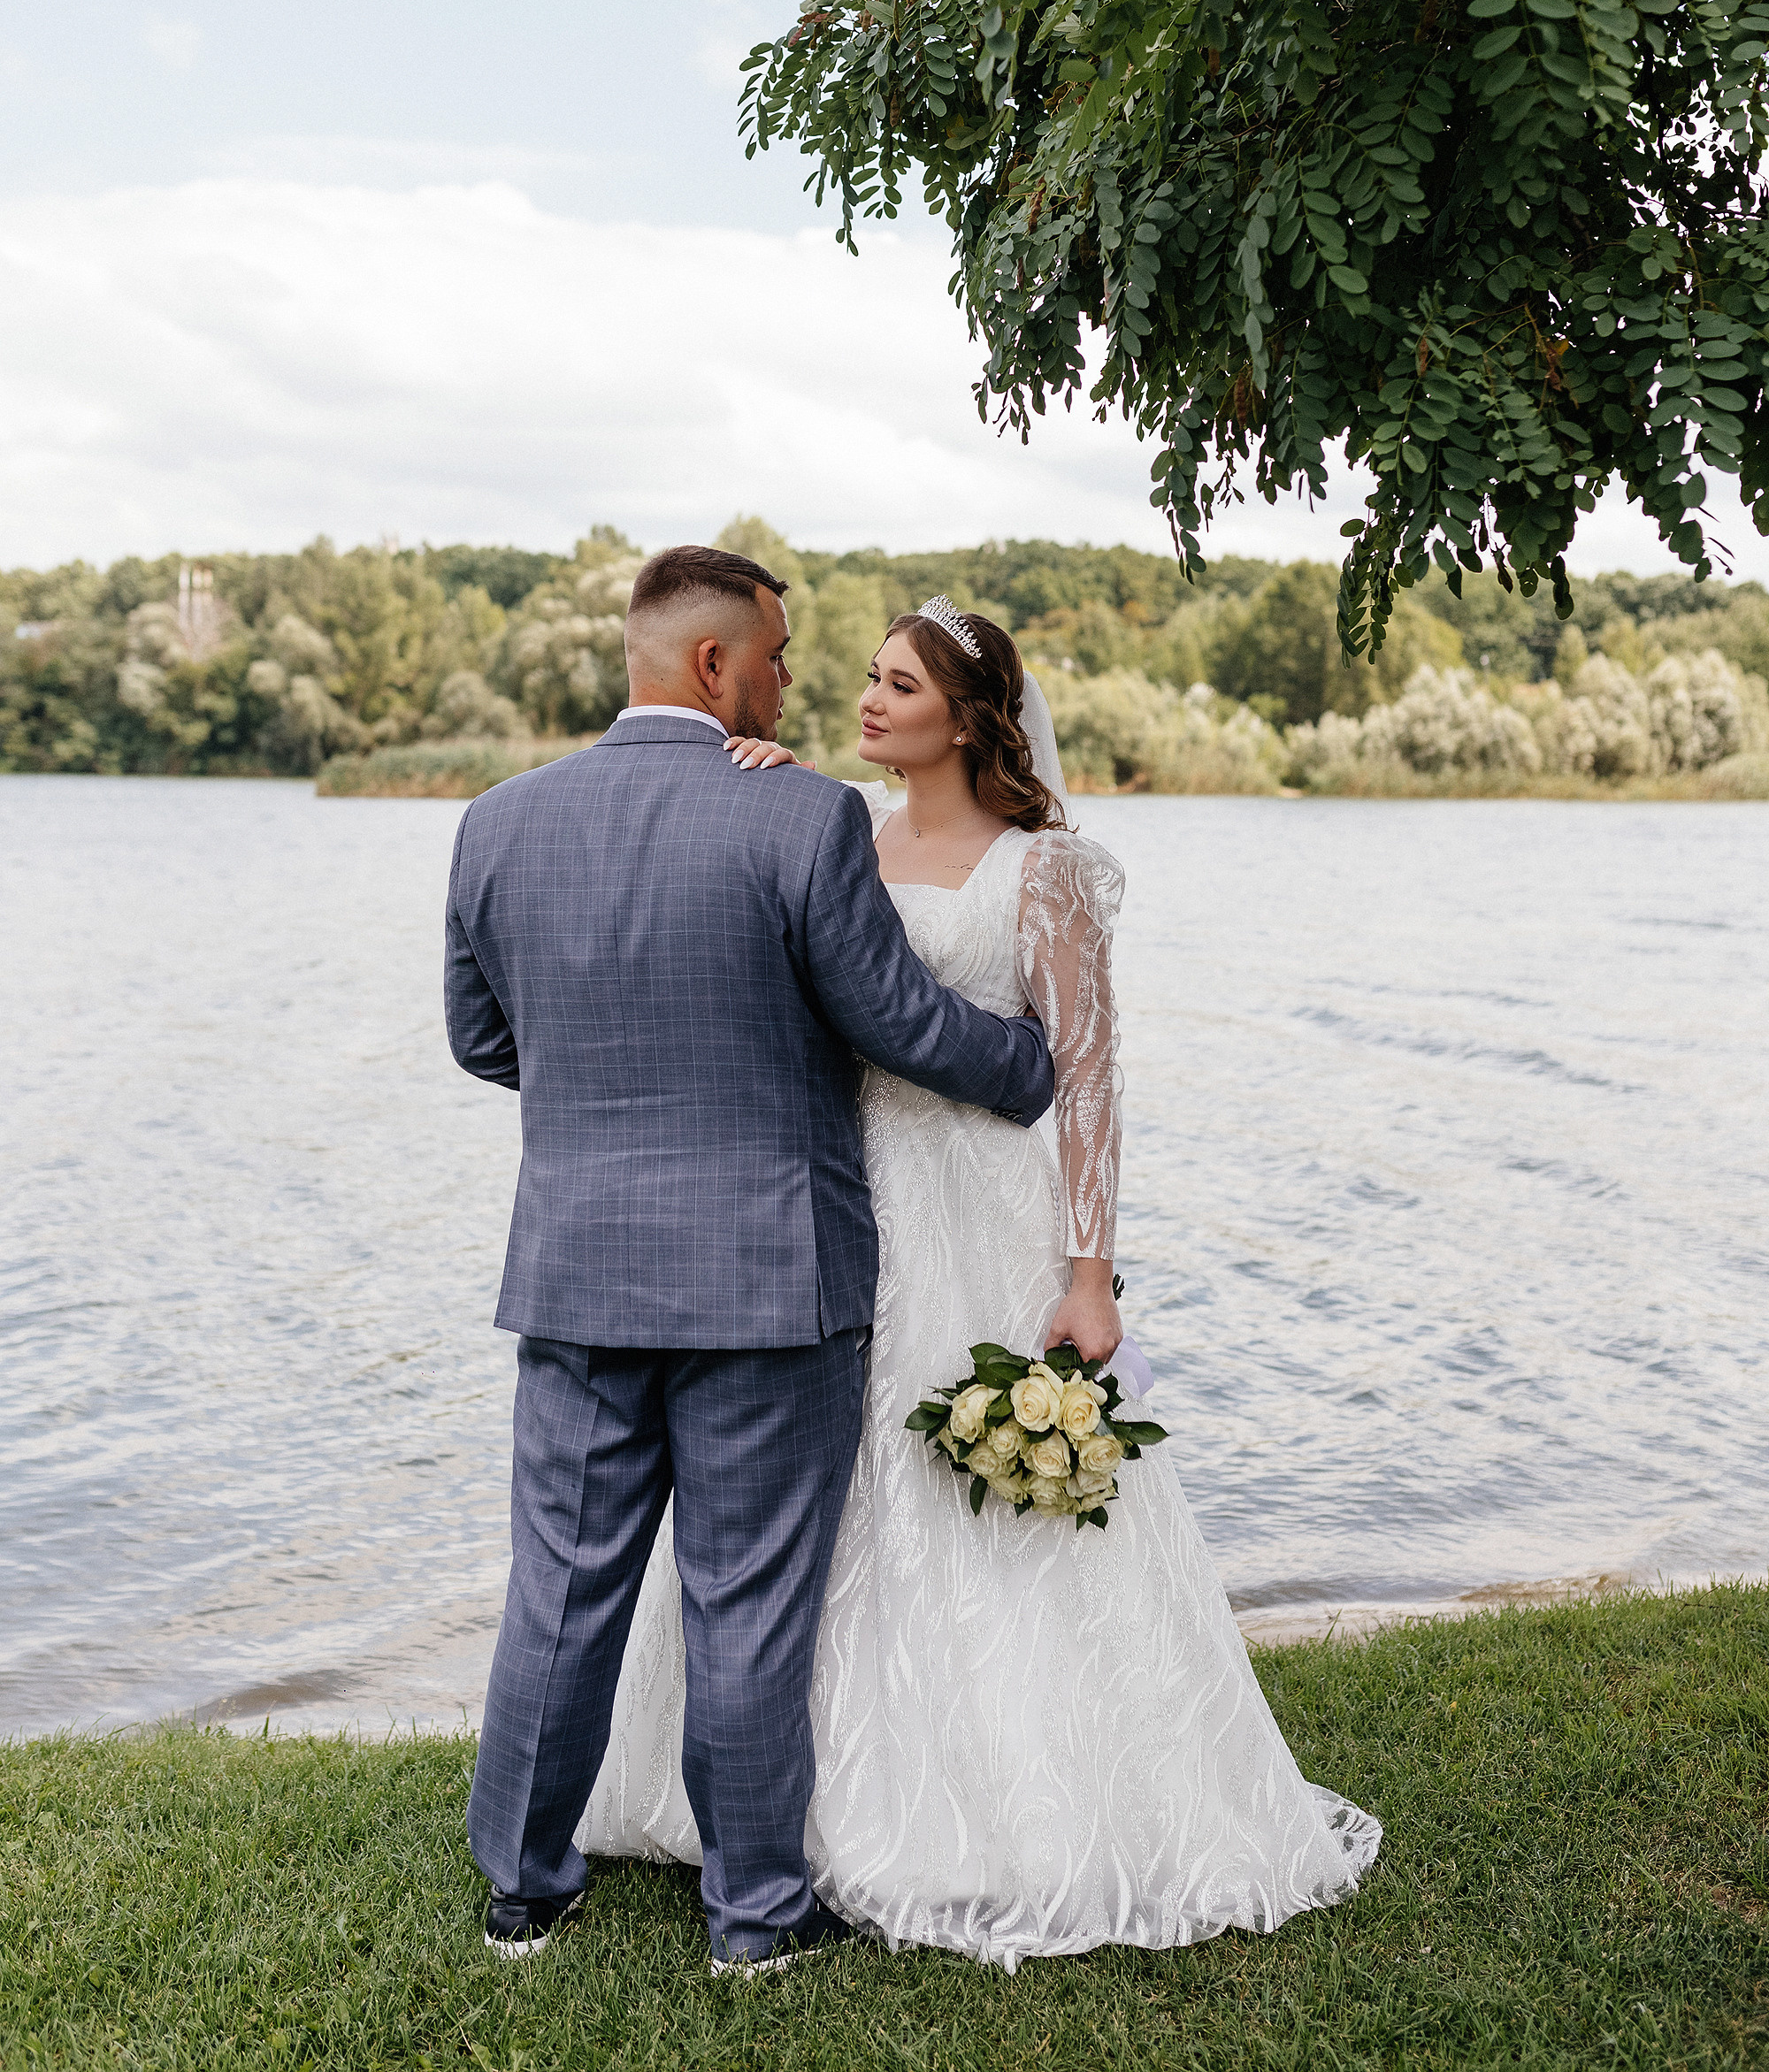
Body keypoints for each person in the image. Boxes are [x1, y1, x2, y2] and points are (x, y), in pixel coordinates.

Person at [579, 597, 1382, 1969]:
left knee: (978, 1492)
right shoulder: (829, 827)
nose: (868, 701)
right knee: (813, 1504)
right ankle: (775, 1807)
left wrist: (1089, 1273)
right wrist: (753, 783)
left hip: (984, 1210)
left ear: (969, 715)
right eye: (869, 680)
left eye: (900, 685)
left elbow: (1090, 1078)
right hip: (838, 1207)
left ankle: (1015, 1812)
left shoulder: (1044, 870)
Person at [445, 548, 1056, 1974]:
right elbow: (896, 1018)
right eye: (780, 656)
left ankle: (524, 1895)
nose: (795, 683)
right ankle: (754, 1922)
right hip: (773, 1286)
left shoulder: (497, 820)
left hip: (580, 1277)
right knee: (749, 1602)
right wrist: (1031, 1068)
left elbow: (484, 1042)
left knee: (561, 1590)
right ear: (716, 667)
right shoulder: (798, 819)